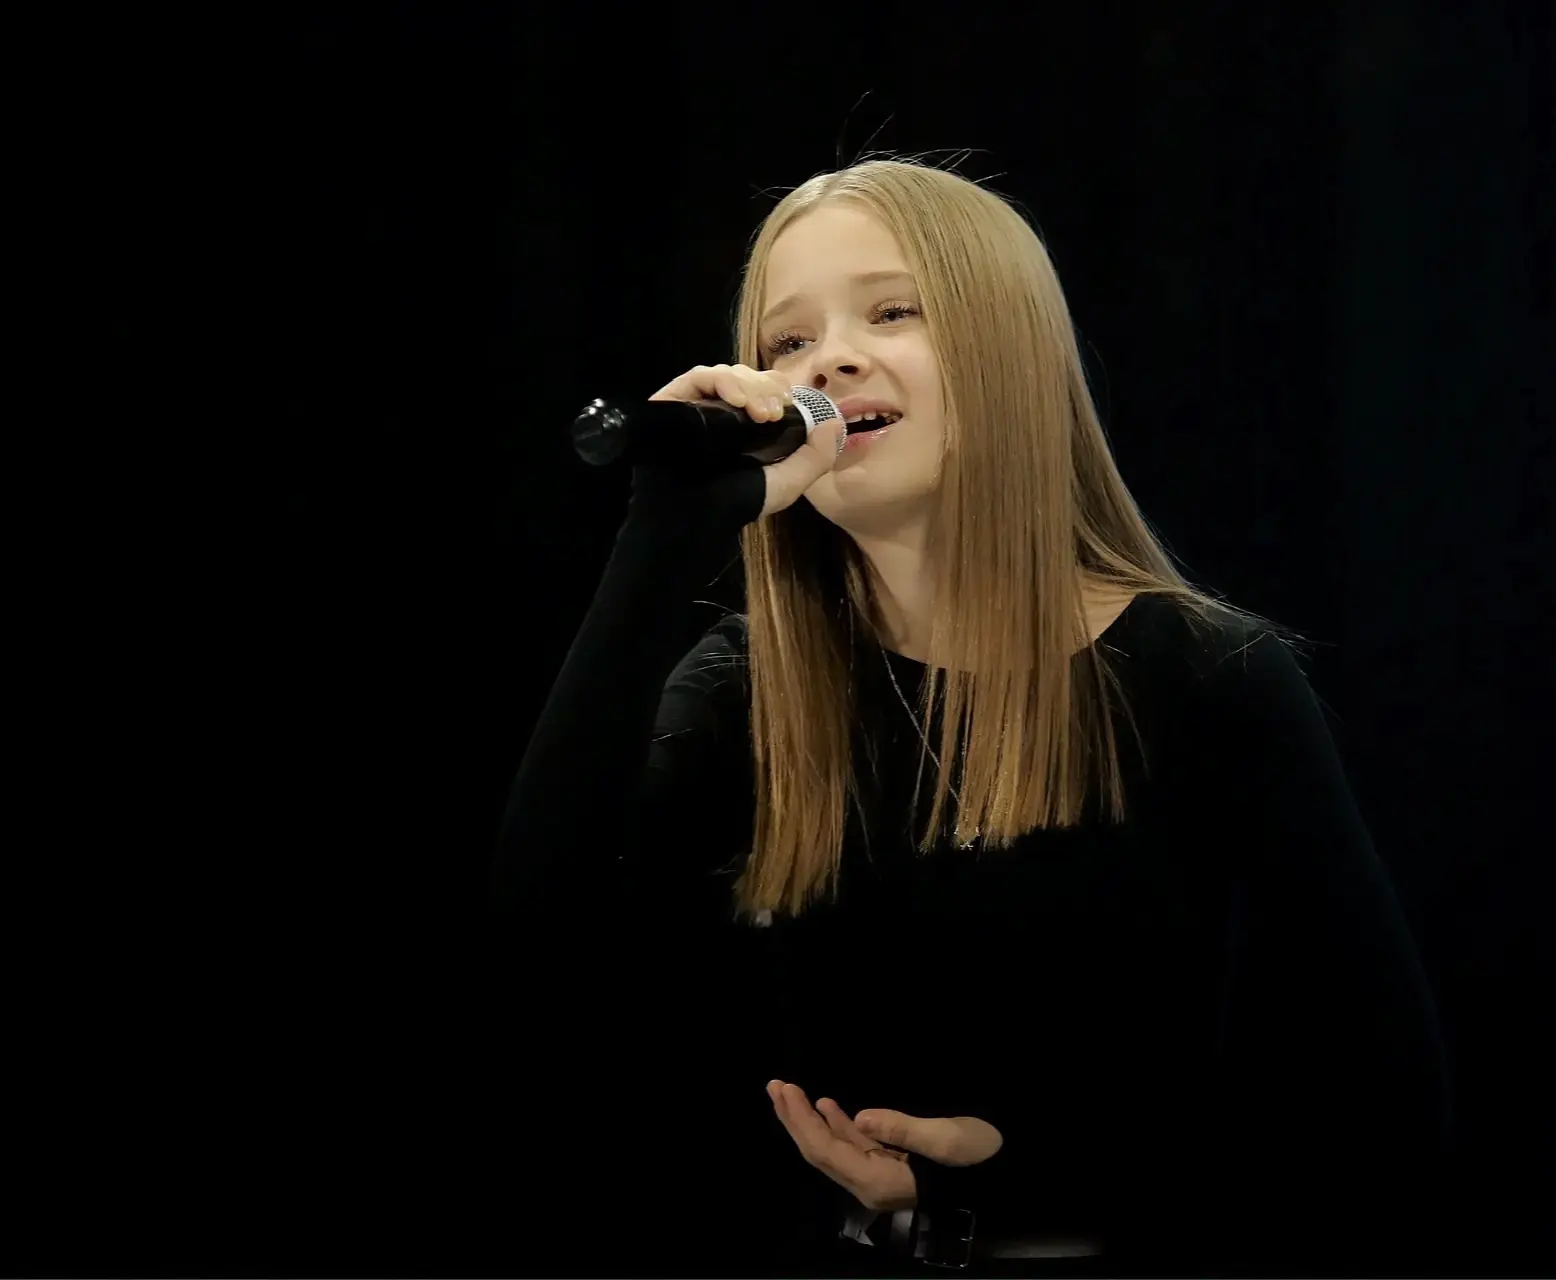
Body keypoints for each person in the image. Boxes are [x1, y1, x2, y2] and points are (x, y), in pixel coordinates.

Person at [489, 158, 1451, 1277]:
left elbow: (1376, 1111)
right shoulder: (743, 685)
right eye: (788, 340)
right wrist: (661, 538)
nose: (828, 359)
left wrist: (1031, 1183)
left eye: (891, 312)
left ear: (1008, 350)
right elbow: (537, 948)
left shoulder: (1203, 677)